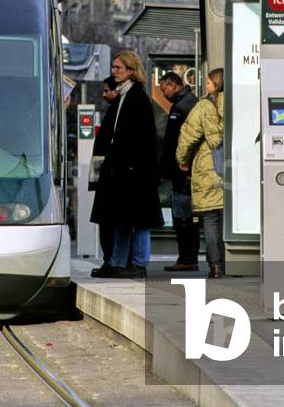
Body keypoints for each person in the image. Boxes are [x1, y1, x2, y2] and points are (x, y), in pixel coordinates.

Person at [90, 51, 163, 278]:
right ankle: (118, 262)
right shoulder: (123, 96)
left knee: (138, 220)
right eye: (113, 67)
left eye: (118, 67)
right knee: (121, 218)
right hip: (122, 170)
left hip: (134, 171)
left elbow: (142, 138)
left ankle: (138, 264)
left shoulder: (137, 98)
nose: (113, 71)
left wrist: (132, 166)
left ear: (131, 70)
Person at [176, 68, 226, 279]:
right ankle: (235, 262)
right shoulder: (238, 103)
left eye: (208, 83)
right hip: (235, 168)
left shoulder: (204, 106)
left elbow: (187, 137)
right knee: (230, 219)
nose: (205, 86)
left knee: (211, 219)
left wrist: (182, 159)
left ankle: (216, 266)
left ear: (216, 84)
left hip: (209, 168)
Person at [158, 71, 199, 271]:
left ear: (173, 84)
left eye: (163, 88)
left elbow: (184, 141)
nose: (163, 93)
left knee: (183, 216)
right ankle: (188, 257)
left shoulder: (183, 106)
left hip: (182, 171)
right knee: (186, 216)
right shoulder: (186, 103)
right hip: (182, 170)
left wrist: (186, 169)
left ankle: (187, 258)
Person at [89, 76, 121, 277]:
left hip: (109, 176)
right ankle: (111, 259)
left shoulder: (117, 112)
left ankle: (111, 260)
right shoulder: (115, 111)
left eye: (107, 90)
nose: (103, 94)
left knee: (108, 223)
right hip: (107, 174)